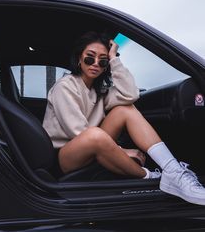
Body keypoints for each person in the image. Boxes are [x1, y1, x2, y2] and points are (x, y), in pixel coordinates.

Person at [43, 31, 205, 205]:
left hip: (92, 143)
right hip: (66, 156)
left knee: (125, 109)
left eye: (102, 60)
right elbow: (79, 132)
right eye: (90, 58)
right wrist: (121, 151)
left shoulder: (99, 90)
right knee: (94, 135)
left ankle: (173, 171)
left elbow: (130, 94)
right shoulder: (65, 86)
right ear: (79, 59)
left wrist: (114, 59)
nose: (96, 63)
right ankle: (148, 176)